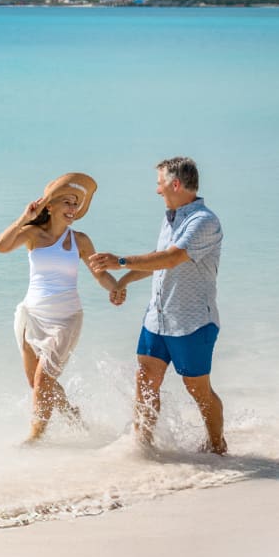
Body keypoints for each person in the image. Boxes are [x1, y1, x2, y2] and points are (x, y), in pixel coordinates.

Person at [88, 157, 227, 454]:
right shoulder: (171, 217)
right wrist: (123, 280)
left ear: (175, 184)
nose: (157, 191)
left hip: (192, 323)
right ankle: (143, 447)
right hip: (157, 320)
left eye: (159, 183)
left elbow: (172, 257)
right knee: (146, 378)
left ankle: (217, 447)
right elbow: (158, 258)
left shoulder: (204, 221)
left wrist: (120, 260)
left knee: (198, 390)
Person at [0, 172, 125, 443]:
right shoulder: (32, 234)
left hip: (66, 319)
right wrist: (24, 217)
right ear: (49, 206)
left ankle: (36, 437)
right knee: (37, 383)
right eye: (67, 202)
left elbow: (99, 273)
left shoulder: (81, 240)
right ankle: (72, 415)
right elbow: (1, 247)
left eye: (76, 204)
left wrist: (114, 287)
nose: (72, 209)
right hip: (32, 315)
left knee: (43, 381)